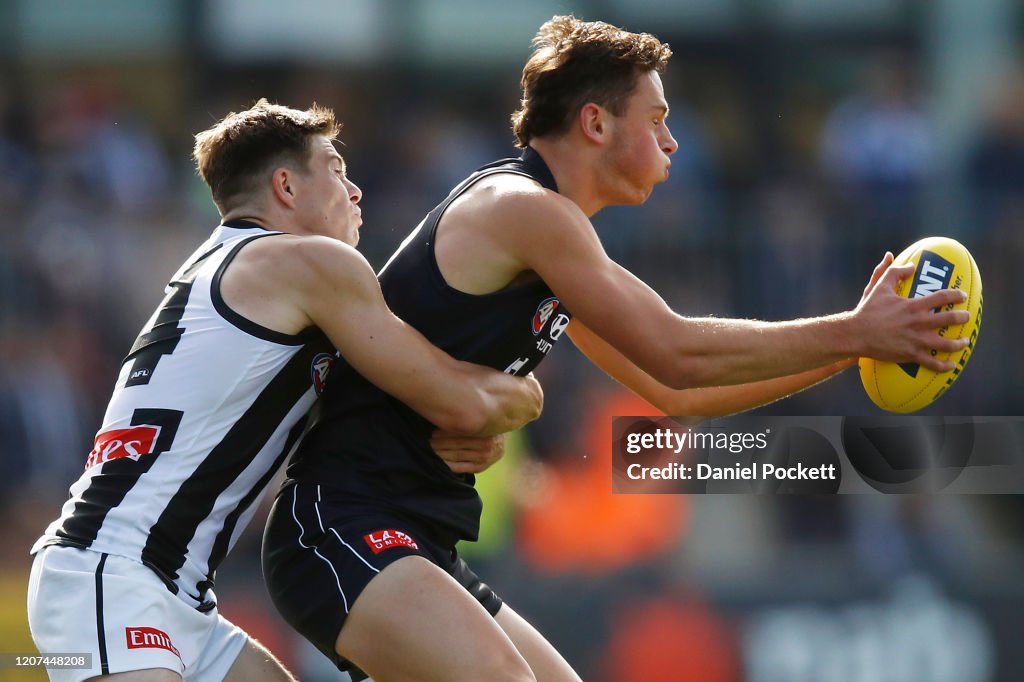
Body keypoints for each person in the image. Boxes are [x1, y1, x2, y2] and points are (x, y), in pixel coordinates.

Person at [262, 16, 970, 682]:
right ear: (595, 123)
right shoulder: (524, 210)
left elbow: (679, 395)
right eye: (658, 119)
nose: (673, 143)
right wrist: (857, 328)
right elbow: (676, 351)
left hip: (411, 534)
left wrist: (851, 351)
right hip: (341, 524)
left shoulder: (548, 231)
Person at [26, 99, 543, 682]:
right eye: (337, 170)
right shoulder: (307, 265)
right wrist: (524, 399)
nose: (356, 192)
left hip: (173, 594)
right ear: (286, 186)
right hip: (113, 575)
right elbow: (457, 400)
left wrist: (467, 430)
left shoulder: (222, 266)